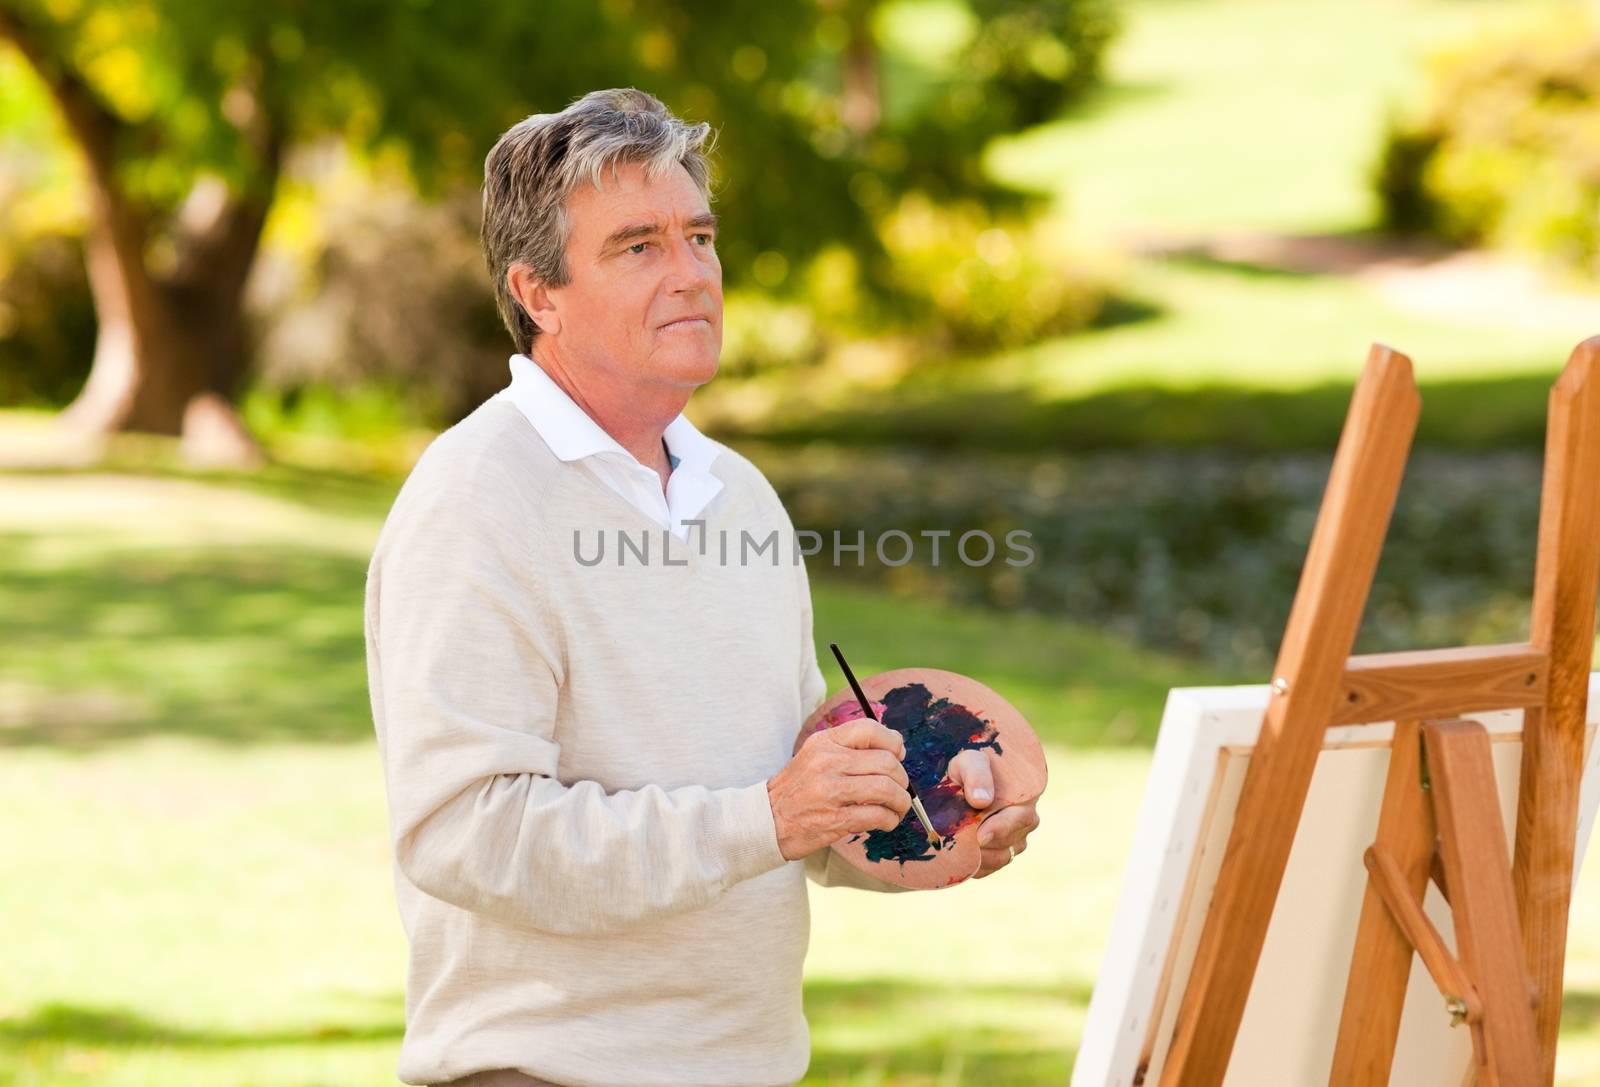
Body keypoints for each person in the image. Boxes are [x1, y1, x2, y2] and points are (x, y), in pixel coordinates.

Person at [363, 87, 1042, 1087]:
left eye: (700, 236)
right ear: (537, 293)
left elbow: (787, 812)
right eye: (638, 247)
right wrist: (767, 815)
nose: (690, 274)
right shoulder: (475, 498)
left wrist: (932, 821)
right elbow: (464, 833)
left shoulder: (741, 497)